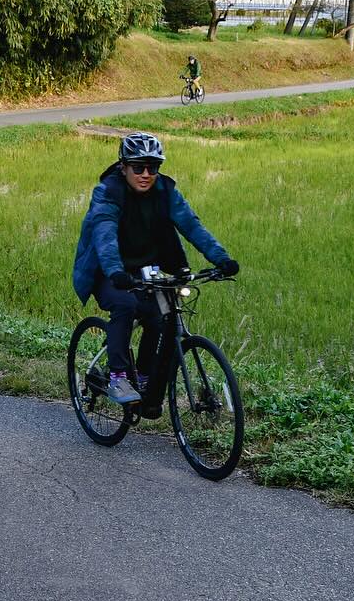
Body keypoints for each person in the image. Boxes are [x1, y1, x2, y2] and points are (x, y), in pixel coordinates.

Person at [71, 132, 239, 405]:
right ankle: (118, 377)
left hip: (146, 268)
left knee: (161, 316)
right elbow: (104, 234)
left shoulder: (165, 191)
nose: (146, 174)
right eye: (138, 167)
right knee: (125, 305)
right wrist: (115, 271)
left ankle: (145, 375)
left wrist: (221, 259)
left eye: (153, 167)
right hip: (107, 271)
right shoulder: (108, 192)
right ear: (123, 166)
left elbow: (192, 225)